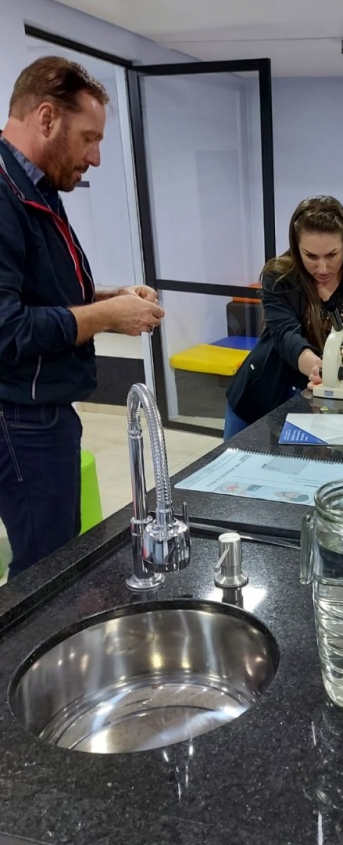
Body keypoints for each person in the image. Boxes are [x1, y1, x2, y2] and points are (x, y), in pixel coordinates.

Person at [0, 57, 164, 580]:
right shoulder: (4, 194)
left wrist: (111, 296)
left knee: (55, 557)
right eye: (88, 139)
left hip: (41, 410)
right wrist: (108, 315)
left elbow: (41, 291)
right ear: (47, 118)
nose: (94, 157)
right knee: (44, 574)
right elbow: (8, 329)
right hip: (19, 417)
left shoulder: (36, 186)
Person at [225, 195, 343, 438]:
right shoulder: (278, 277)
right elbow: (286, 337)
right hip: (264, 397)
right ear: (296, 248)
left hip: (332, 402)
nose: (322, 268)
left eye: (332, 255)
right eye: (311, 256)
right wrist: (319, 368)